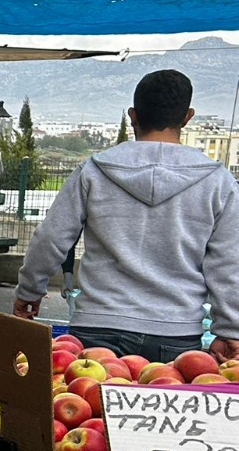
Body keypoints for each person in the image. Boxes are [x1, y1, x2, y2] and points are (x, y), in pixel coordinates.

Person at [14, 69, 239, 363]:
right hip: (176, 334)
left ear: (133, 116)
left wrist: (30, 291)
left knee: (89, 406)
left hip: (97, 327)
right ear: (187, 117)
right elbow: (228, 262)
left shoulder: (94, 170)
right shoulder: (217, 181)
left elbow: (51, 238)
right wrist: (230, 328)